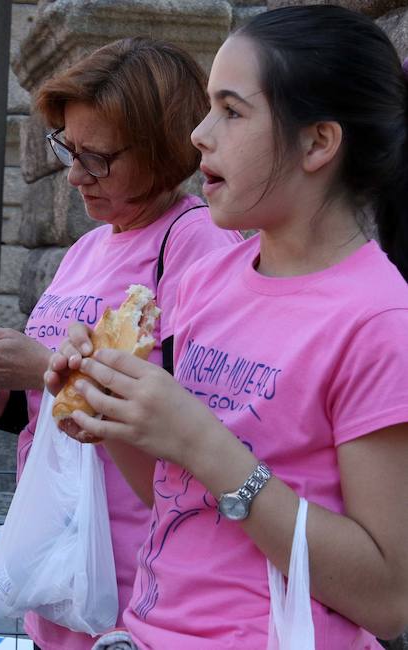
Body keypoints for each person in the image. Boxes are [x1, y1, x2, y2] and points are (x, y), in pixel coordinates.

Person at [46, 7, 408, 648]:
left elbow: (388, 598)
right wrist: (107, 411)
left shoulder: (380, 321)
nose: (198, 135)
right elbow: (172, 499)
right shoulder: (206, 281)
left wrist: (209, 448)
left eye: (231, 111)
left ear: (318, 143)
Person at [0, 38, 241, 650]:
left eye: (95, 159)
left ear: (163, 147)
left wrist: (44, 364)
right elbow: (45, 415)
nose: (74, 176)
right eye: (68, 150)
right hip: (64, 565)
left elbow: (195, 420)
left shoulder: (199, 248)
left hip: (136, 581)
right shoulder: (90, 247)